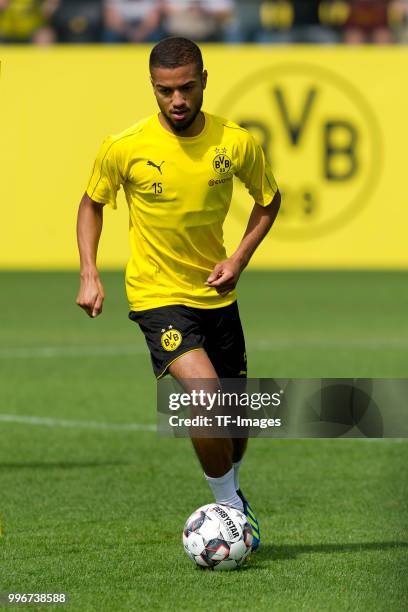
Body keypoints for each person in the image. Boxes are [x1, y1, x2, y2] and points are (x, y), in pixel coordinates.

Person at [76, 37, 280, 551]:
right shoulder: (125, 145)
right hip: (156, 294)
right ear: (153, 87)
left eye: (187, 87)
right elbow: (91, 203)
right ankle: (230, 508)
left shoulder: (235, 142)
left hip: (217, 297)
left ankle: (230, 489)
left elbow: (269, 201)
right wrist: (89, 272)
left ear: (204, 79)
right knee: (206, 400)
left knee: (235, 423)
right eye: (165, 91)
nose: (177, 100)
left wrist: (237, 260)